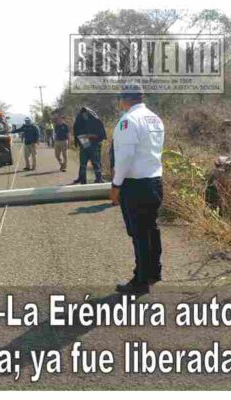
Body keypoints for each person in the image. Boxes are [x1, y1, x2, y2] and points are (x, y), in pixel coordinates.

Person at [110, 86, 165, 295]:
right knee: (151, 228)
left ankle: (140, 280)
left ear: (124, 100)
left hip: (135, 185)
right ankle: (154, 271)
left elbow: (124, 157)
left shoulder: (128, 121)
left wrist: (116, 185)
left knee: (139, 233)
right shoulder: (154, 118)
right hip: (154, 181)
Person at [72, 107, 107, 184]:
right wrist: (80, 139)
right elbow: (77, 132)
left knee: (95, 162)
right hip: (84, 142)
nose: (84, 115)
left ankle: (99, 178)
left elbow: (99, 135)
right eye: (83, 113)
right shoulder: (79, 121)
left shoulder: (95, 121)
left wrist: (88, 136)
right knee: (83, 162)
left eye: (86, 113)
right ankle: (82, 179)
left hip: (94, 144)